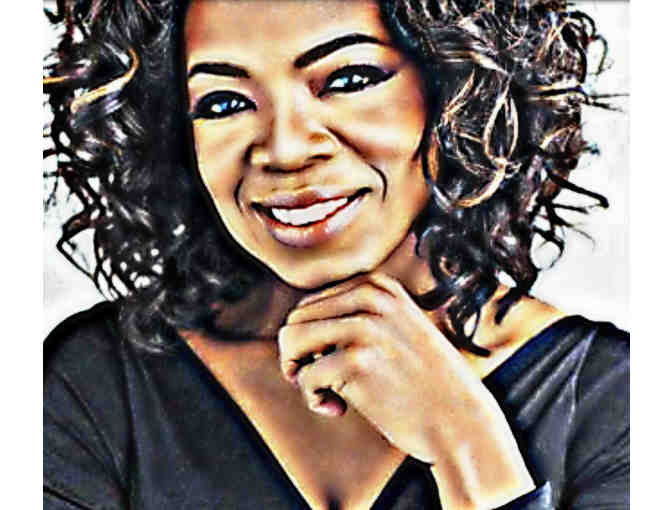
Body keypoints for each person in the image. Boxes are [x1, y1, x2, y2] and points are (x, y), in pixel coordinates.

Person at [43, 0, 629, 509]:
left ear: (458, 89)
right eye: (222, 103)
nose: (286, 150)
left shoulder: (616, 400)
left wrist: (466, 450)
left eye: (348, 78)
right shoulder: (94, 385)